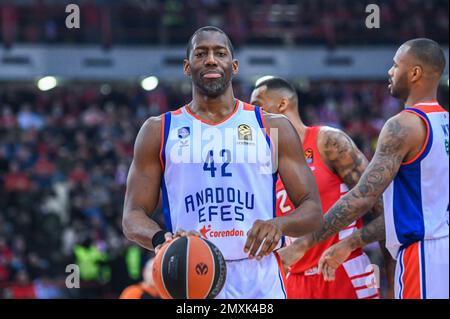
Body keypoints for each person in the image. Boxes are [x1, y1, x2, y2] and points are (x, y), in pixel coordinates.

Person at [122, 26, 323, 299]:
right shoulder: (159, 130)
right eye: (200, 53)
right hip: (192, 276)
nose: (211, 60)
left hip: (259, 277)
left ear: (234, 65)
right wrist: (162, 240)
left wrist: (279, 225)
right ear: (186, 66)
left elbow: (312, 209)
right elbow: (132, 216)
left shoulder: (271, 126)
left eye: (220, 53)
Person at [280, 38, 449, 299]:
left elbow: (362, 197)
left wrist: (305, 243)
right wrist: (350, 242)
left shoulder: (403, 125)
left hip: (425, 253)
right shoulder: (444, 121)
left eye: (395, 65)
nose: (390, 72)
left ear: (415, 73)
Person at [251, 77, 388, 299]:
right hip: (293, 279)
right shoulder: (262, 164)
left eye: (257, 105)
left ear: (282, 104)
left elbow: (385, 211)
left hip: (343, 271)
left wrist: (389, 278)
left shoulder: (328, 142)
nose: (252, 115)